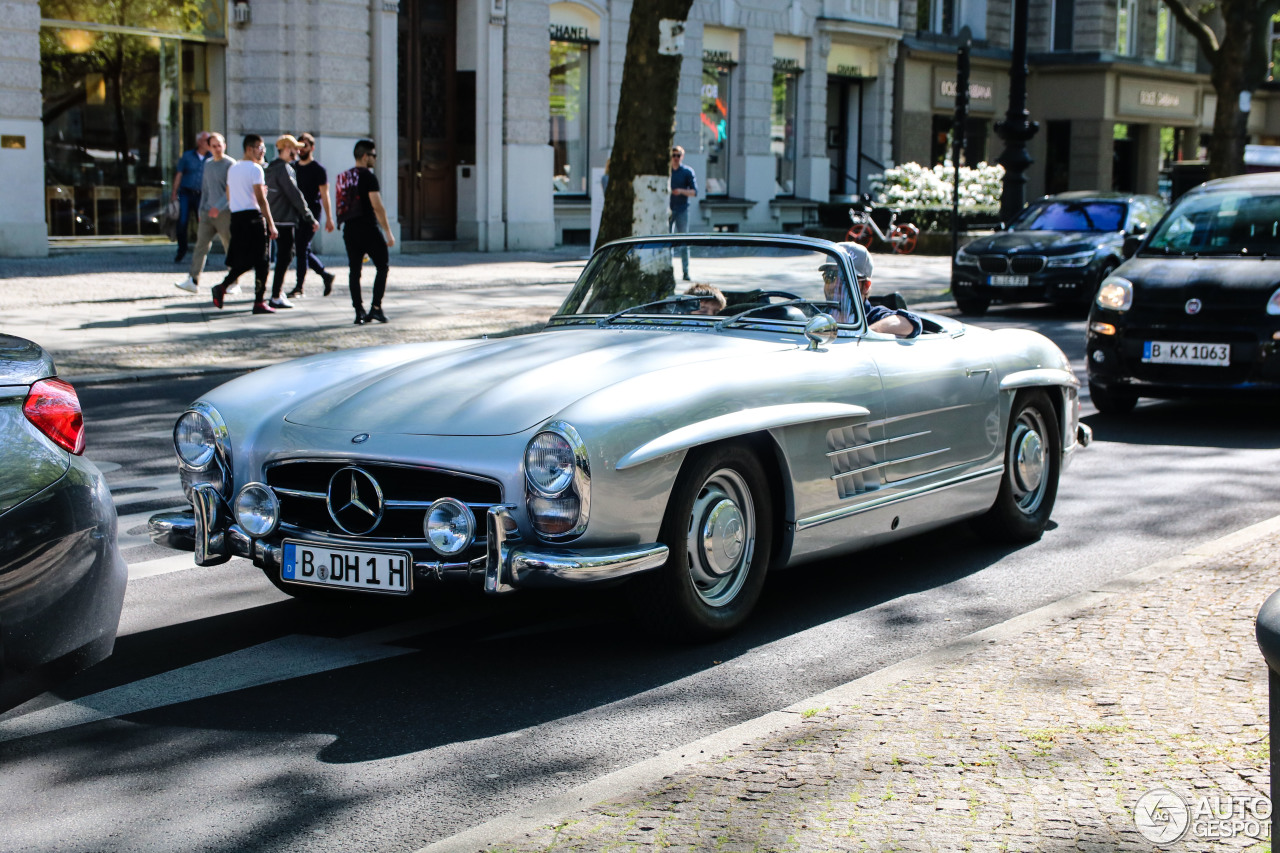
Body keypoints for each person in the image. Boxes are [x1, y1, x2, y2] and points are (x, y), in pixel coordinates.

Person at [211, 134, 278, 314]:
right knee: (261, 261)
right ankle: (257, 301)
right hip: (254, 218)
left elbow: (228, 194)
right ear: (250, 149)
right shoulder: (256, 169)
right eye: (260, 148)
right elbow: (261, 199)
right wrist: (271, 223)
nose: (262, 151)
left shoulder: (233, 168)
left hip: (237, 217)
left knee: (246, 259)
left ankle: (225, 286)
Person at [335, 138, 395, 325]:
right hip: (368, 228)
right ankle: (376, 308)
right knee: (382, 265)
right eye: (373, 155)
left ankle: (358, 310)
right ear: (364, 156)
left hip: (350, 229)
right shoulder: (368, 176)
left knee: (354, 270)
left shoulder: (344, 177)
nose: (375, 159)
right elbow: (377, 206)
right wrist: (388, 231)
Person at [175, 133, 240, 295]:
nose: (217, 149)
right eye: (214, 146)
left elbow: (230, 190)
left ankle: (234, 281)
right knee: (200, 246)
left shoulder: (230, 164)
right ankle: (193, 280)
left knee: (230, 247)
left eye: (220, 145)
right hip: (206, 213)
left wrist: (218, 207)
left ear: (224, 145)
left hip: (224, 213)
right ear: (209, 147)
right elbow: (205, 189)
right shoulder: (208, 164)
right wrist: (201, 210)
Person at [821, 241, 922, 338]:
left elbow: (910, 322)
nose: (835, 285)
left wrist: (866, 334)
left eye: (846, 279)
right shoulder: (817, 315)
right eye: (830, 276)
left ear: (866, 286)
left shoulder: (873, 316)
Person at [264, 135, 318, 310]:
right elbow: (295, 195)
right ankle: (276, 295)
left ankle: (272, 294)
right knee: (286, 256)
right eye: (295, 148)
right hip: (285, 220)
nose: (298, 151)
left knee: (278, 257)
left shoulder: (271, 167)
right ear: (286, 148)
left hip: (273, 218)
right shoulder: (285, 169)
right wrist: (309, 216)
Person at [288, 132, 337, 298]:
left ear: (312, 147)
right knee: (302, 249)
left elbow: (325, 195)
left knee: (301, 248)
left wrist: (329, 219)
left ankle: (299, 286)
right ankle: (325, 276)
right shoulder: (293, 167)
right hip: (295, 213)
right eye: (299, 146)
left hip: (312, 214)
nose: (301, 149)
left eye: (305, 146)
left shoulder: (318, 170)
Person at [171, 131, 211, 263]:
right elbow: (179, 174)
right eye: (207, 141)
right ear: (199, 142)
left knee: (203, 224)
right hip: (186, 193)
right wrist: (174, 193)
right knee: (182, 222)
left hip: (202, 195)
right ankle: (181, 250)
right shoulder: (187, 156)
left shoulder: (211, 157)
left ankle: (203, 254)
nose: (209, 144)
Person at [669, 145, 697, 281]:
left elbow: (694, 192)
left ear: (682, 157)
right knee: (666, 242)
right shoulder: (667, 172)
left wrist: (680, 191)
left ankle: (685, 272)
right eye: (673, 155)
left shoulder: (687, 172)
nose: (675, 158)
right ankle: (668, 270)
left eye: (678, 155)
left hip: (682, 209)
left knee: (683, 241)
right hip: (667, 210)